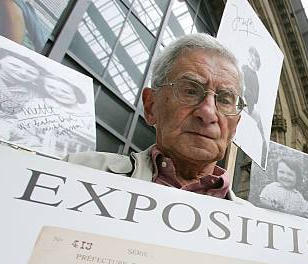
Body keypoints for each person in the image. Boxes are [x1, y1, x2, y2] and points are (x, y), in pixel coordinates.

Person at [64, 33, 247, 203]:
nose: (208, 112)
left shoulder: (260, 231)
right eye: (190, 91)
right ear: (151, 106)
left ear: (235, 128)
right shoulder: (72, 172)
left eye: (224, 99)